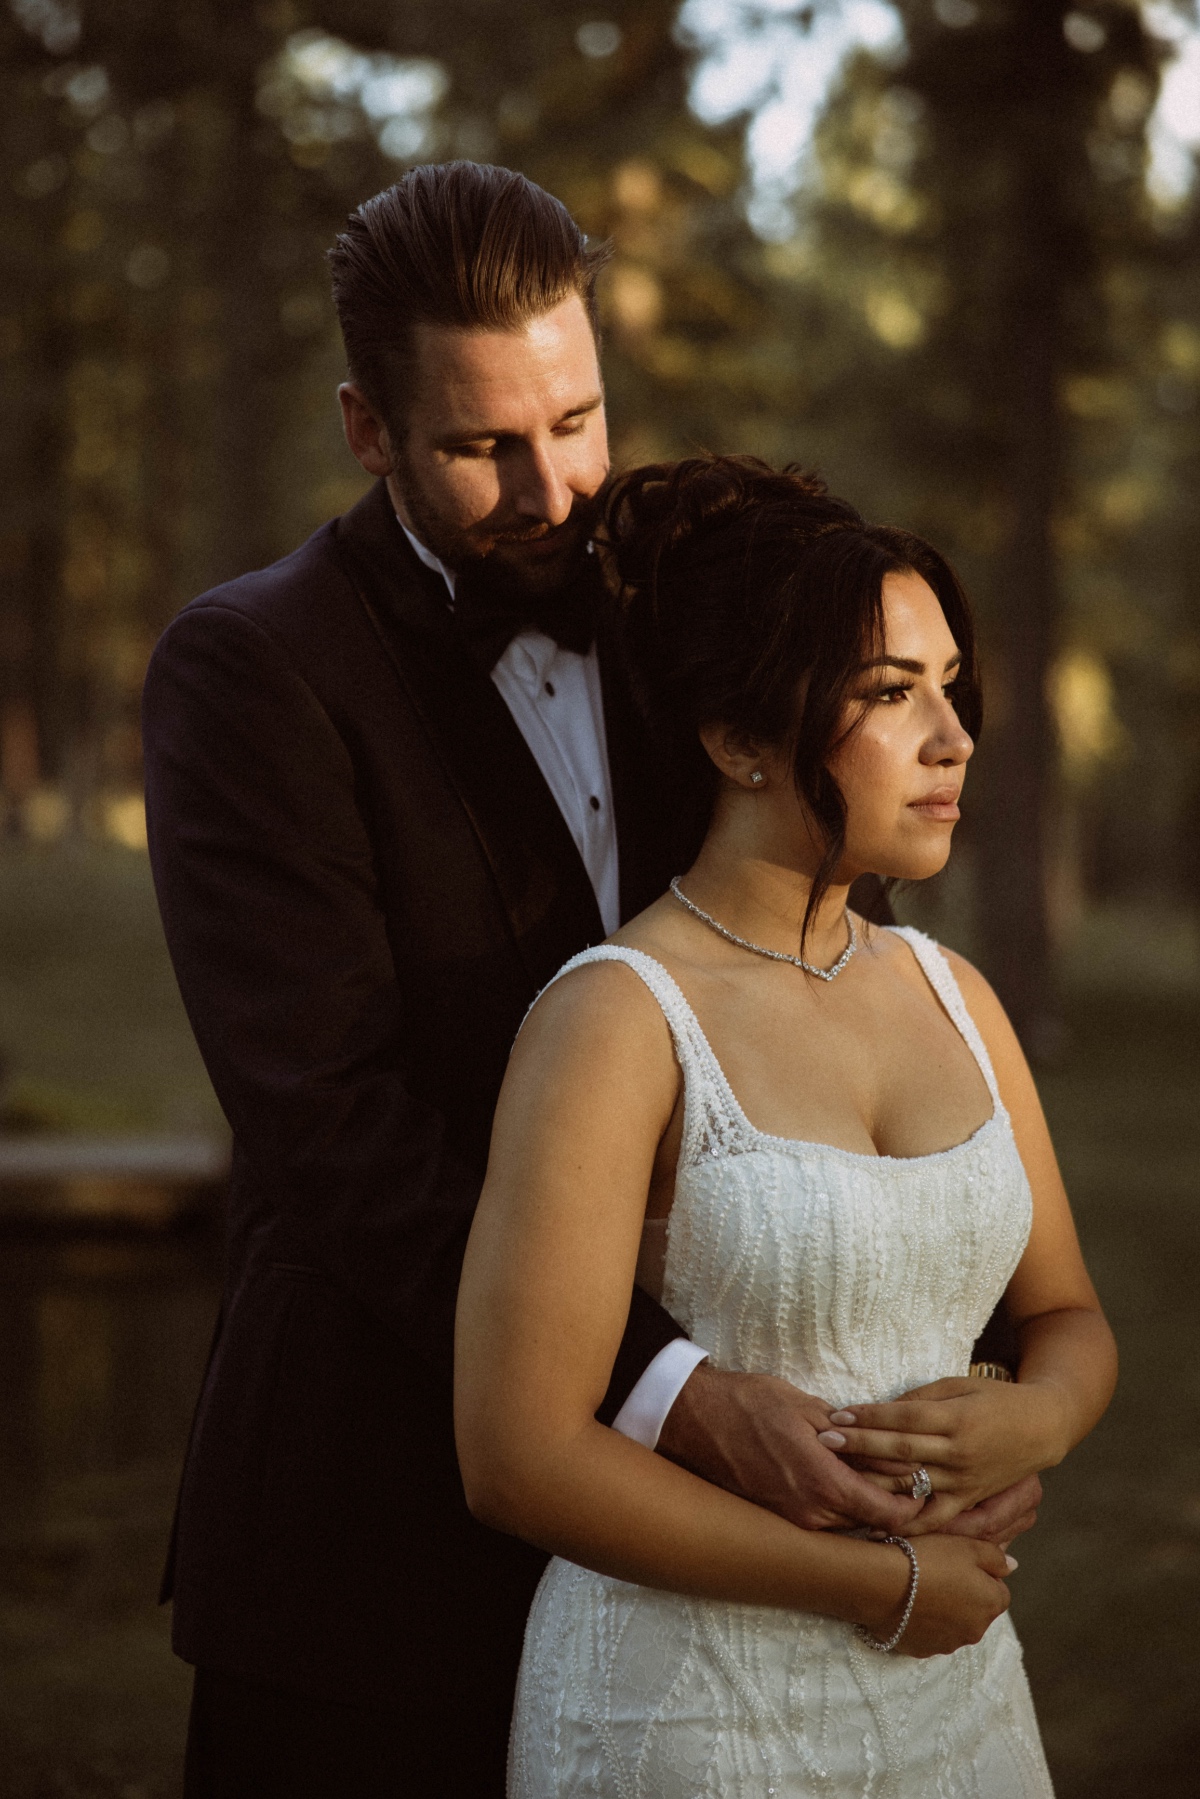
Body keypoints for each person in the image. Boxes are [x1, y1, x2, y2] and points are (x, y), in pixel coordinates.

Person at [142, 162, 1039, 1795]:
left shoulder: (666, 618)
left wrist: (936, 1415)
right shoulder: (255, 670)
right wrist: (674, 1393)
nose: (553, 488)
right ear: (368, 430)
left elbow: (788, 946)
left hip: (713, 1573)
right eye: (485, 447)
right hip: (370, 1529)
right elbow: (334, 1130)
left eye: (577, 420)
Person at [455, 455, 1118, 1795]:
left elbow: (1069, 1318)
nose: (954, 736)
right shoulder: (618, 1019)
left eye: (950, 684)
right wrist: (872, 1585)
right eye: (889, 693)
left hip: (960, 1700)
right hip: (689, 1716)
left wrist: (1036, 1424)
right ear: (740, 740)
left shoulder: (957, 996)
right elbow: (516, 1454)